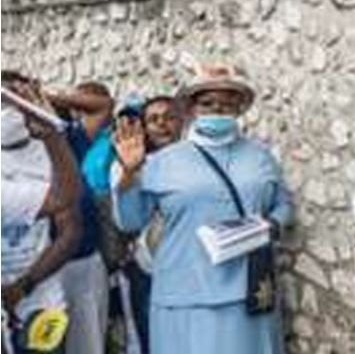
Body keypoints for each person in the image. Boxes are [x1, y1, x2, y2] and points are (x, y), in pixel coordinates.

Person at [112, 64, 293, 354]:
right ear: (191, 109)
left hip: (250, 292)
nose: (217, 108)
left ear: (239, 108)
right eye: (207, 102)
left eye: (227, 102)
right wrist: (129, 175)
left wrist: (274, 224)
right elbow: (130, 221)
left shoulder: (260, 156)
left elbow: (283, 203)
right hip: (185, 297)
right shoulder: (163, 162)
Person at [1, 72, 83, 353]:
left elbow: (68, 219)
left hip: (41, 302)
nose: (7, 113)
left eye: (15, 102)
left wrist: (23, 286)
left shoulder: (52, 155)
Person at [109, 96, 183, 354]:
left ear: (183, 122)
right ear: (144, 127)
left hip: (192, 274)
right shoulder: (130, 164)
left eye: (169, 117)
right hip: (151, 274)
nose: (162, 124)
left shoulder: (197, 162)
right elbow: (129, 222)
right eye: (153, 119)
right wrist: (131, 172)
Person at [46, 82, 115, 354]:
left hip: (82, 261)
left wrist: (43, 98)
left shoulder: (68, 137)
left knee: (87, 346)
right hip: (30, 268)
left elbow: (103, 106)